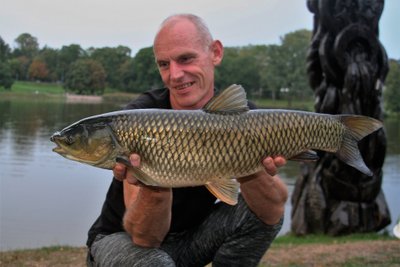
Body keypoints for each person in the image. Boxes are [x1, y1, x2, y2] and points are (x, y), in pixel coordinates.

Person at [87, 13, 288, 267]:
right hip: (123, 242)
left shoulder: (240, 115)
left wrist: (250, 164)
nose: (175, 75)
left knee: (265, 205)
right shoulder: (139, 118)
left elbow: (271, 213)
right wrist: (153, 181)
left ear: (215, 52)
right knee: (154, 263)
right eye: (163, 64)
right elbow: (144, 237)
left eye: (185, 59)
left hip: (191, 239)